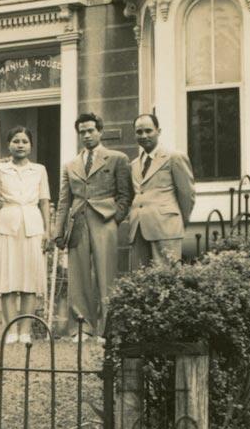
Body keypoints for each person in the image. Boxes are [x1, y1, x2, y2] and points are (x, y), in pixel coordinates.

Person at [53, 113, 131, 340]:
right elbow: (64, 201)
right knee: (78, 277)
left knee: (106, 274)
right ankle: (83, 327)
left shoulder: (117, 158)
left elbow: (125, 195)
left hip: (104, 220)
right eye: (82, 132)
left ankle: (107, 329)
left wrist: (114, 218)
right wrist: (58, 232)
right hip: (78, 222)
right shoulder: (70, 165)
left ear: (100, 131)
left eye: (90, 130)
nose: (86, 135)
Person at [0, 126, 50, 344]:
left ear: (31, 145)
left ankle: (25, 330)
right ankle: (10, 329)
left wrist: (47, 231)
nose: (20, 145)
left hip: (33, 225)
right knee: (8, 279)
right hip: (6, 223)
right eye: (16, 141)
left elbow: (44, 201)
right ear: (9, 145)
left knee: (29, 279)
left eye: (24, 141)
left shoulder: (40, 170)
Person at [128, 113, 195, 268]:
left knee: (167, 279)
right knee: (142, 282)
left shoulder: (174, 157)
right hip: (139, 228)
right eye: (139, 132)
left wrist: (177, 222)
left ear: (158, 131)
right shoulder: (135, 164)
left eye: (148, 130)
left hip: (166, 228)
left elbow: (187, 194)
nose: (144, 135)